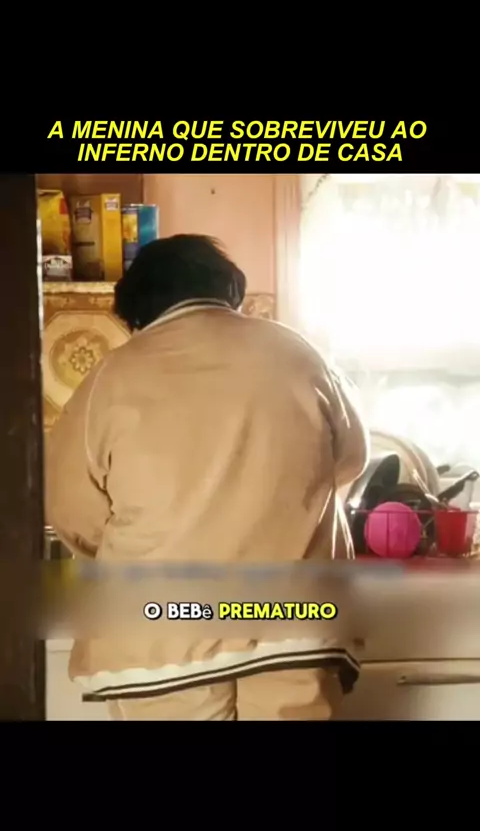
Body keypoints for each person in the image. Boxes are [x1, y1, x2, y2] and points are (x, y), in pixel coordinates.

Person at [45, 234, 369, 721]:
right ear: (228, 289)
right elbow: (349, 459)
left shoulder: (110, 378)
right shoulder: (297, 354)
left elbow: (73, 513)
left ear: (135, 312)